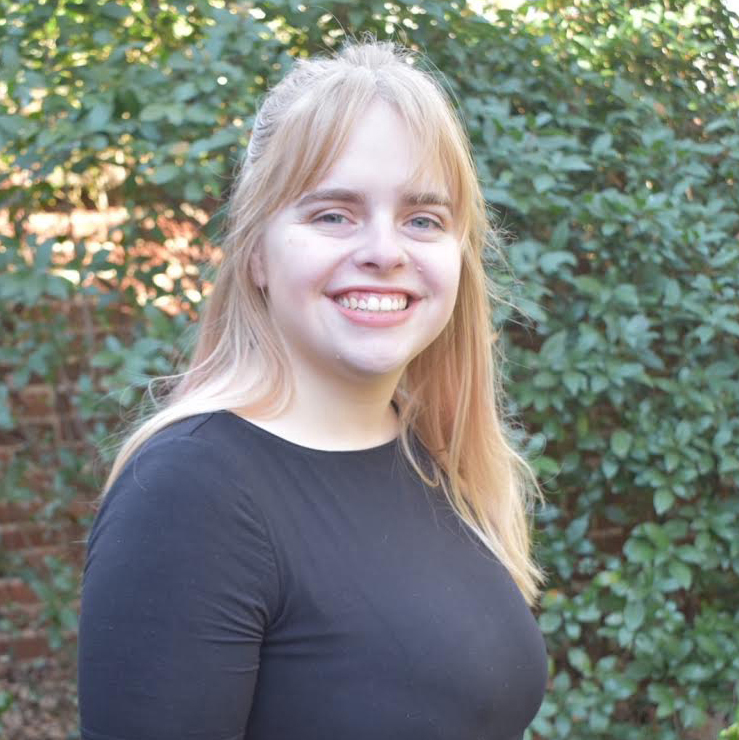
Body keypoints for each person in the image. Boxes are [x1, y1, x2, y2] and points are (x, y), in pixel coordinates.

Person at [77, 38, 549, 740]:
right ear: (256, 254)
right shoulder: (189, 496)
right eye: (333, 214)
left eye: (422, 219)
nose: (385, 251)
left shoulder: (432, 455)